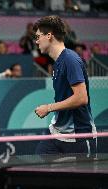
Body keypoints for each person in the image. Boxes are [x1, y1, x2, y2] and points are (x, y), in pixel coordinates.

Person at [33, 15, 96, 155]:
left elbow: (81, 98)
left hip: (78, 136)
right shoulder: (57, 63)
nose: (36, 41)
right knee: (37, 167)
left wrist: (48, 108)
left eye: (38, 37)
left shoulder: (70, 60)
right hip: (57, 133)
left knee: (80, 177)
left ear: (49, 35)